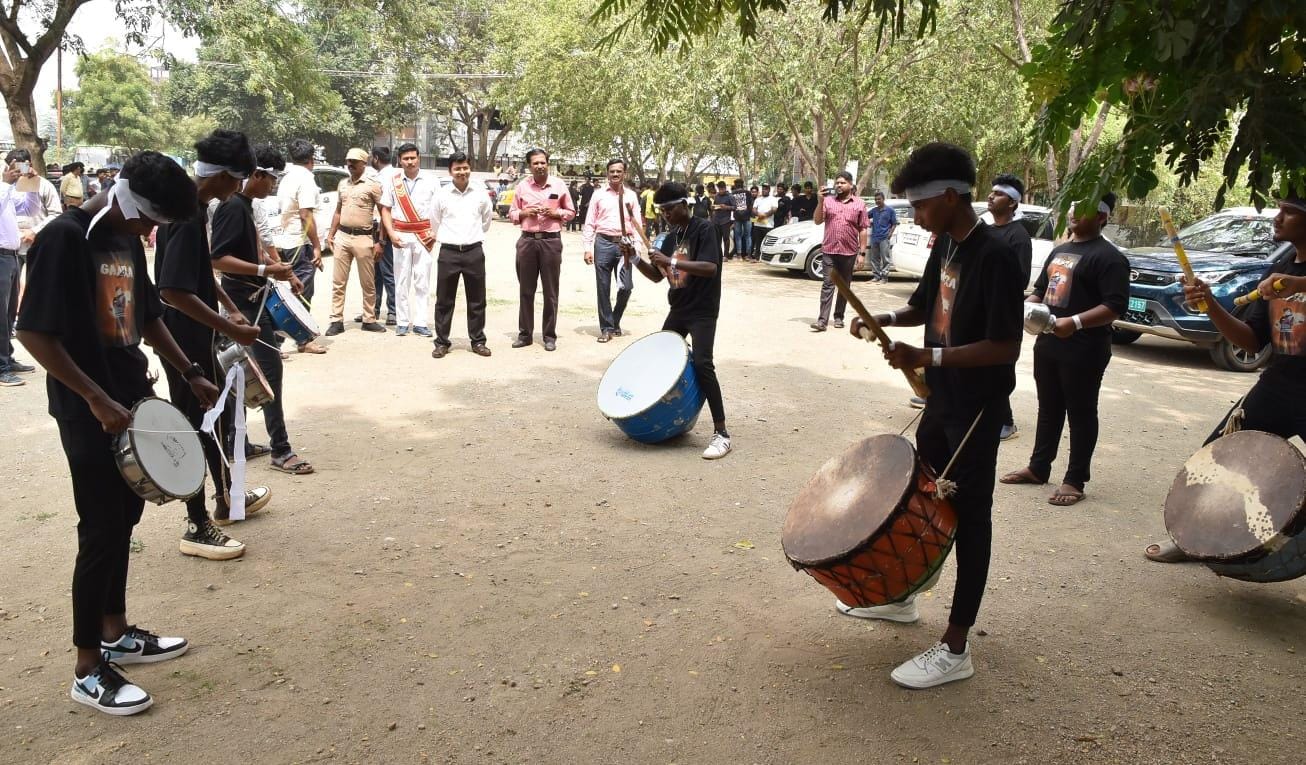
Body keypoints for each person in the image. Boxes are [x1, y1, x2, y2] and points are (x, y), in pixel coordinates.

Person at [17, 150, 222, 715]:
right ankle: (87, 666)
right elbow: (34, 333)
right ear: (128, 200)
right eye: (149, 221)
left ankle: (116, 631)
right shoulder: (65, 239)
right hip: (89, 406)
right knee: (101, 527)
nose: (150, 232)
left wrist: (191, 372)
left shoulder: (126, 238)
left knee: (125, 516)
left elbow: (148, 314)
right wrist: (94, 397)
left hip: (130, 396)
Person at [840, 142, 1023, 690]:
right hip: (940, 399)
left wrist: (929, 356)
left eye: (919, 206)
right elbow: (926, 304)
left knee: (971, 519)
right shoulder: (946, 245)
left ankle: (956, 644)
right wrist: (885, 319)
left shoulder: (996, 256)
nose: (914, 217)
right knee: (923, 500)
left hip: (976, 408)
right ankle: (905, 599)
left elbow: (1005, 346)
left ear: (949, 196)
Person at [1143, 194, 1306, 562]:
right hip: (1278, 385)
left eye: (1289, 213)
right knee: (1217, 458)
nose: (1277, 219)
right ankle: (1194, 540)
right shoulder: (1275, 272)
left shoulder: (1289, 277)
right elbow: (1251, 340)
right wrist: (1210, 304)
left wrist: (1301, 285)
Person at [154, 130, 273, 559]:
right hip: (182, 339)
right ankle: (197, 523)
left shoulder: (191, 205)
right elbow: (172, 291)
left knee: (216, 421)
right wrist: (231, 326)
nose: (240, 189)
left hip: (194, 333)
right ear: (225, 176)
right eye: (238, 180)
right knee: (195, 425)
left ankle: (226, 500)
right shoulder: (186, 216)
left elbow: (198, 269)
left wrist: (226, 304)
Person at [999, 194, 1127, 506]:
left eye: (1083, 208)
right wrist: (1022, 310)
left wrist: (1076, 322)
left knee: (1081, 412)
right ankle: (1039, 467)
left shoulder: (1109, 258)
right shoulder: (1060, 251)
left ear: (1102, 218)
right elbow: (1041, 291)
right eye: (1071, 207)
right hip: (1049, 343)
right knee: (1049, 407)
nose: (1073, 213)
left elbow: (1114, 306)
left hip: (1085, 348)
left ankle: (1075, 479)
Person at [211, 145, 316, 476]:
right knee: (267, 372)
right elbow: (218, 259)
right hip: (242, 300)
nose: (274, 186)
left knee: (239, 372)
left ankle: (235, 440)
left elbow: (254, 246)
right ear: (255, 175)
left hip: (258, 295)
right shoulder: (231, 208)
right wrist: (266, 272)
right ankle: (281, 450)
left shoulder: (247, 206)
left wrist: (279, 269)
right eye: (271, 179)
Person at [634, 182, 731, 459]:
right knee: (661, 359)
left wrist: (671, 261)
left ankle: (721, 433)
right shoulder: (668, 237)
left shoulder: (705, 229)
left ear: (684, 205)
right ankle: (661, 418)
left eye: (669, 209)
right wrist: (635, 259)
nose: (665, 214)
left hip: (702, 310)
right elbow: (656, 275)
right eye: (661, 210)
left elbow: (710, 268)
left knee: (702, 363)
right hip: (679, 308)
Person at [428, 151, 494, 358]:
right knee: (444, 300)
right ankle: (441, 342)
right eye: (457, 168)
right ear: (450, 171)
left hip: (474, 251)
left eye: (465, 167)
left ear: (470, 169)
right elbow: (434, 222)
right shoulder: (441, 194)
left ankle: (478, 341)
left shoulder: (480, 194)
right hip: (448, 252)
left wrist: (471, 237)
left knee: (477, 299)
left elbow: (486, 221)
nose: (462, 172)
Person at [509, 148, 575, 352]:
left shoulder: (559, 185)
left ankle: (549, 336)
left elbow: (571, 212)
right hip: (527, 242)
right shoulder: (522, 187)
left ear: (548, 163)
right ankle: (525, 335)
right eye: (535, 163)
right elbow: (512, 212)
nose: (539, 166)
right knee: (526, 291)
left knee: (550, 292)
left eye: (542, 162)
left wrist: (557, 213)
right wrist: (524, 212)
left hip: (551, 242)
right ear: (529, 166)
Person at [986, 174, 1035, 440]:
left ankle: (1007, 422)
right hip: (983, 310)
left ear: (1013, 203)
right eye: (992, 192)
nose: (991, 196)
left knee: (1000, 367)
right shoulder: (988, 232)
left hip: (1004, 314)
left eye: (999, 193)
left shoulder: (1018, 236)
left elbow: (1021, 279)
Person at [324, 148, 385, 336]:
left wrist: (380, 241)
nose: (350, 164)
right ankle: (336, 320)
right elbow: (338, 210)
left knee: (368, 283)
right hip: (342, 237)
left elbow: (384, 213)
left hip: (364, 238)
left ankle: (369, 319)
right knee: (338, 282)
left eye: (354, 161)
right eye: (348, 161)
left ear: (363, 164)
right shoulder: (342, 184)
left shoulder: (373, 185)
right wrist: (330, 234)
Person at [379, 143, 438, 338]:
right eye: (406, 158)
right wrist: (390, 233)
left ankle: (421, 322)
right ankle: (402, 322)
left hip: (423, 236)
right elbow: (385, 209)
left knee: (422, 281)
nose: (410, 162)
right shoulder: (393, 181)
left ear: (419, 157)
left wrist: (435, 232)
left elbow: (439, 209)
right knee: (401, 280)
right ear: (400, 160)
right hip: (401, 235)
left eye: (413, 158)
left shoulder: (431, 180)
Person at [582, 159, 644, 342]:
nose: (615, 174)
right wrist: (587, 248)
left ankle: (615, 319)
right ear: (607, 173)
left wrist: (637, 247)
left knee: (626, 286)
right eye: (612, 171)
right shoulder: (598, 195)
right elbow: (590, 222)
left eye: (619, 171)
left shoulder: (631, 196)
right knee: (603, 287)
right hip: (603, 243)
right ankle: (607, 328)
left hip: (625, 245)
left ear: (624, 173)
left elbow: (637, 223)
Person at [274, 139, 326, 353]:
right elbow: (305, 215)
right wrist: (316, 246)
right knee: (300, 293)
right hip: (299, 242)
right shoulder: (305, 179)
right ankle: (293, 340)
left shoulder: (287, 178)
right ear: (311, 159)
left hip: (286, 241)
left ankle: (291, 339)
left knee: (296, 291)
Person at [0, 159, 42, 386]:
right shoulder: (3, 190)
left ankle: (6, 356)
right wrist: (6, 184)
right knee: (0, 315)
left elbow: (30, 209)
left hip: (11, 256)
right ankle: (1, 366)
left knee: (8, 313)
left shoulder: (6, 192)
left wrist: (31, 183)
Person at [810, 171, 869, 331]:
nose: (838, 185)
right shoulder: (828, 201)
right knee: (827, 285)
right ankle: (822, 321)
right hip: (829, 250)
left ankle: (838, 317)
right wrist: (820, 201)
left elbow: (863, 229)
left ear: (850, 184)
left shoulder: (859, 204)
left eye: (842, 183)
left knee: (844, 287)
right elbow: (817, 221)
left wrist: (862, 254)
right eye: (837, 183)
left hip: (849, 252)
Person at [357, 146, 397, 326]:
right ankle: (373, 309)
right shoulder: (384, 176)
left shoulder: (387, 178)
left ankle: (393, 311)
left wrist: (382, 238)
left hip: (384, 229)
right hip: (376, 229)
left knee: (387, 272)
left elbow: (385, 210)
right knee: (375, 273)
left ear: (377, 158)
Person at [868, 191, 899, 284]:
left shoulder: (890, 210)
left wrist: (889, 234)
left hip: (884, 238)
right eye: (876, 199)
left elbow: (894, 223)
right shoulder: (874, 210)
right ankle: (876, 276)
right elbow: (864, 216)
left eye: (879, 199)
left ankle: (884, 278)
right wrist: (869, 223)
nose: (877, 201)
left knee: (885, 258)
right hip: (874, 238)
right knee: (874, 258)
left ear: (883, 199)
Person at [750, 184, 778, 261]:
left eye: (766, 189)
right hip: (757, 223)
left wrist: (765, 215)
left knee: (767, 243)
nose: (764, 190)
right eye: (763, 189)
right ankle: (757, 258)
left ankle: (767, 258)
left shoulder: (773, 199)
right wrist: (758, 214)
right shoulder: (758, 199)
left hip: (768, 225)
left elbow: (774, 209)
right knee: (758, 242)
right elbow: (754, 209)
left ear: (769, 190)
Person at [711, 181, 734, 260]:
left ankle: (726, 255)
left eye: (722, 189)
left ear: (725, 188)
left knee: (726, 238)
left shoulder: (730, 196)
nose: (720, 191)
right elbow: (714, 205)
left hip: (725, 220)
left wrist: (726, 207)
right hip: (716, 220)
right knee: (717, 239)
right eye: (719, 189)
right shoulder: (717, 196)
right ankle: (718, 255)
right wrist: (713, 207)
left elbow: (735, 207)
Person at [730, 180, 752, 261]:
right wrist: (747, 213)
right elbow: (750, 205)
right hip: (746, 217)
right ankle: (747, 255)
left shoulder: (732, 194)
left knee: (738, 236)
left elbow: (732, 206)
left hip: (737, 217)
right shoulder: (748, 192)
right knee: (748, 236)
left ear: (735, 185)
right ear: (742, 185)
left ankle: (739, 255)